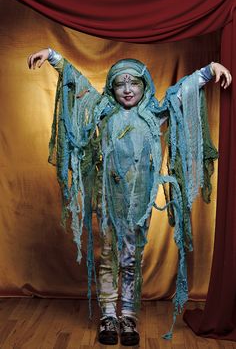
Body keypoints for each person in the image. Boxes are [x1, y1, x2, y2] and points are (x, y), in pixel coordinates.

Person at [28, 48, 232, 346]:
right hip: (109, 202)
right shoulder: (103, 112)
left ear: (144, 85)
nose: (127, 89)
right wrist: (53, 56)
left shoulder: (154, 114)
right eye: (120, 84)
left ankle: (128, 316)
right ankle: (108, 315)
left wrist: (210, 69)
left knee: (131, 258)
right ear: (111, 88)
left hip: (140, 206)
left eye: (133, 83)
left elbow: (182, 92)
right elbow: (79, 83)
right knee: (109, 256)